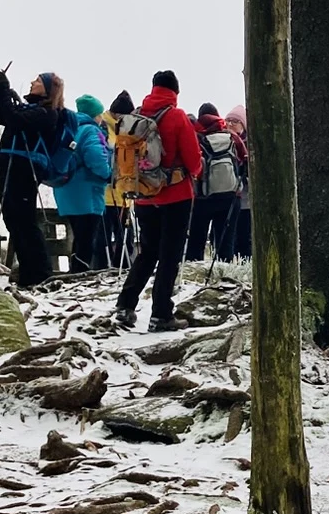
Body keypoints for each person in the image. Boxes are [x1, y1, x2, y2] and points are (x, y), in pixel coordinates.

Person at [114, 69, 203, 330]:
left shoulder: (138, 115)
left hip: (142, 196)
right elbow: (193, 160)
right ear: (175, 91)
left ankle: (125, 305)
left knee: (147, 252)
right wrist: (195, 172)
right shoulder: (176, 116)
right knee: (169, 254)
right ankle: (161, 314)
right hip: (175, 196)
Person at [0, 68, 65, 289]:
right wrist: (0, 91)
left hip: (24, 171)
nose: (31, 82)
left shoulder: (47, 113)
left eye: (37, 81)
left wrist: (5, 90)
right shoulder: (31, 109)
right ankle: (30, 273)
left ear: (48, 89)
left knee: (24, 222)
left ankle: (40, 274)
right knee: (14, 221)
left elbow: (14, 118)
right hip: (11, 168)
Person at [53, 93, 113, 270]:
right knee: (86, 239)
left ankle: (75, 271)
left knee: (79, 236)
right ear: (95, 114)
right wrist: (108, 174)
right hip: (87, 191)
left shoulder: (69, 127)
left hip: (65, 188)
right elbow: (96, 158)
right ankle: (80, 274)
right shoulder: (90, 130)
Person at [186, 101, 246, 264]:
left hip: (203, 198)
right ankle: (223, 276)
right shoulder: (231, 137)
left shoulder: (196, 137)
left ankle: (195, 275)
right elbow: (245, 159)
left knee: (196, 242)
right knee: (225, 242)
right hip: (231, 197)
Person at [100, 90, 139, 271]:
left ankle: (124, 267)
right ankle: (103, 268)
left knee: (126, 236)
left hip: (124, 194)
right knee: (104, 237)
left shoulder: (127, 128)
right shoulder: (103, 127)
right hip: (107, 193)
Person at [225, 104, 252, 260]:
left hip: (246, 201)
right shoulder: (224, 143)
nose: (230, 124)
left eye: (235, 121)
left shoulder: (249, 145)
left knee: (244, 237)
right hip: (230, 199)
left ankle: (246, 265)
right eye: (228, 120)